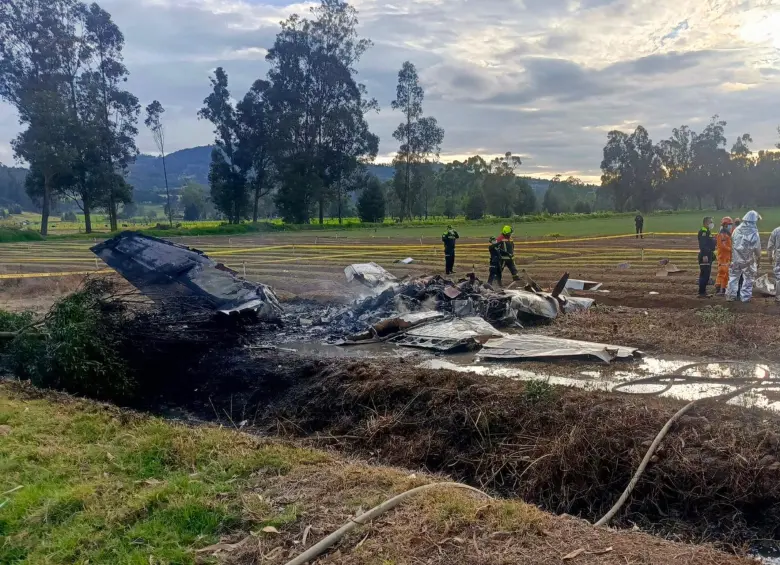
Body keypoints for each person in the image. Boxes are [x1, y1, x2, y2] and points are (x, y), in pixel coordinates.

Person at [726, 210, 762, 303]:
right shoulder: (754, 233)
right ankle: (745, 298)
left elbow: (732, 241)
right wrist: (758, 259)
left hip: (736, 259)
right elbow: (757, 249)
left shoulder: (736, 230)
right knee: (748, 279)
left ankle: (730, 296)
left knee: (733, 278)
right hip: (748, 260)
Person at [714, 216, 734, 296]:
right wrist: (731, 249)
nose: (731, 226)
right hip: (724, 257)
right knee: (725, 273)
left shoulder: (725, 234)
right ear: (725, 225)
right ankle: (723, 289)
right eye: (730, 224)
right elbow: (723, 246)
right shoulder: (722, 235)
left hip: (724, 257)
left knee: (721, 273)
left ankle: (718, 287)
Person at [697, 217, 716, 298]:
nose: (712, 223)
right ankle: (702, 293)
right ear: (706, 223)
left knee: (706, 274)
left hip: (708, 254)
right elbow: (703, 245)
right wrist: (705, 255)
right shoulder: (704, 232)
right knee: (705, 274)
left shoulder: (707, 231)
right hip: (705, 255)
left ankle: (703, 292)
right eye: (710, 222)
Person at [768, 224, 780, 303]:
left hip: (778, 255)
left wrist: (769, 256)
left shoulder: (776, 231)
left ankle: (778, 296)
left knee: (779, 276)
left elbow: (770, 245)